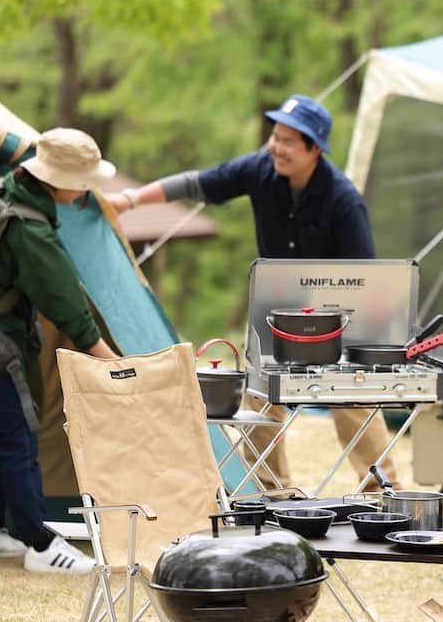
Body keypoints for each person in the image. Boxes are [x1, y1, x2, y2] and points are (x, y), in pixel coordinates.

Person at [111, 93, 400, 489]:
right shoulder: (259, 170)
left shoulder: (343, 200)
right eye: (275, 137)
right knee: (263, 397)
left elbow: (365, 277)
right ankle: (269, 491)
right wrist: (129, 200)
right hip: (276, 312)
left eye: (288, 141)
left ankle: (383, 492)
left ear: (314, 148)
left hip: (335, 318)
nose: (276, 148)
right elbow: (198, 183)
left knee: (351, 401)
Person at [0, 128, 120, 573]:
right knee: (17, 436)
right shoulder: (31, 228)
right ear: (60, 179)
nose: (89, 187)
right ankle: (39, 543)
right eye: (85, 178)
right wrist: (115, 366)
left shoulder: (4, 189)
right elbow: (71, 311)